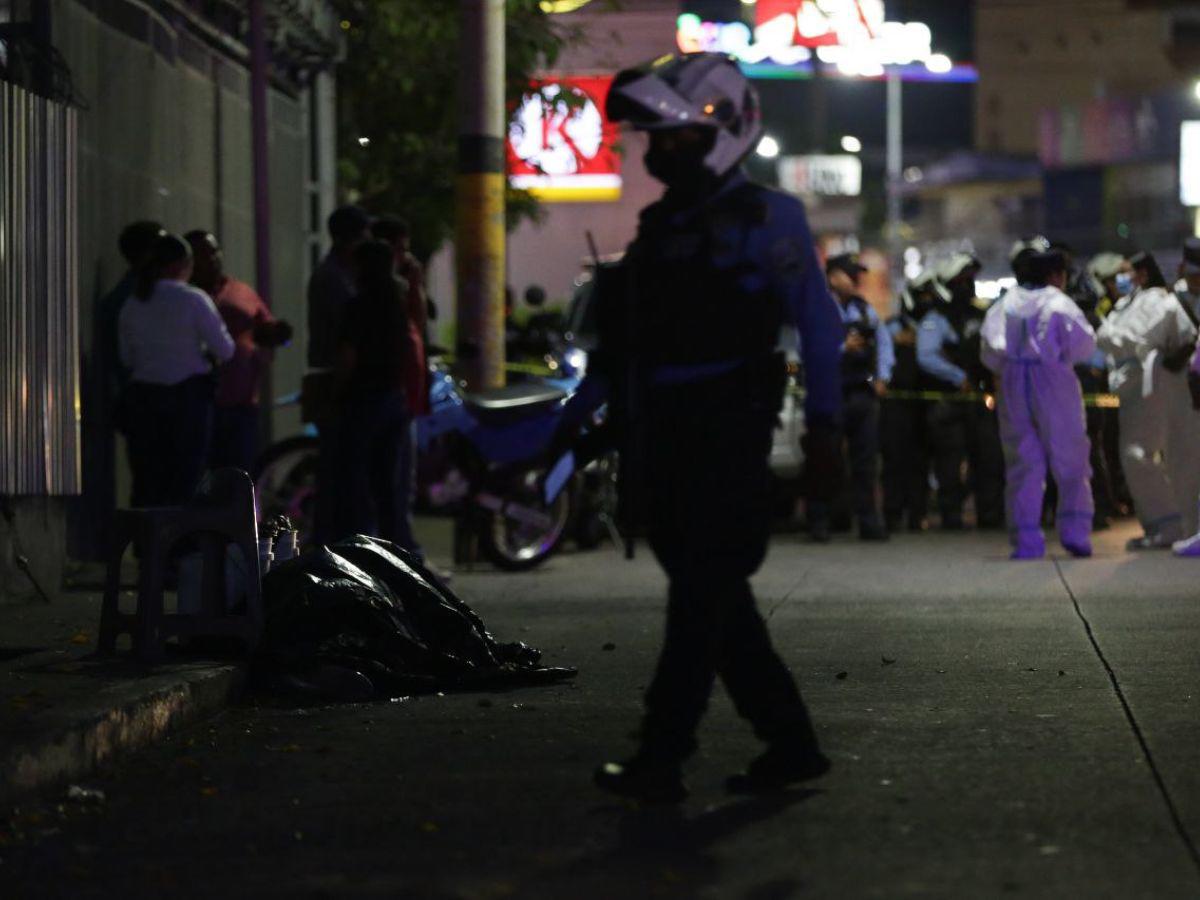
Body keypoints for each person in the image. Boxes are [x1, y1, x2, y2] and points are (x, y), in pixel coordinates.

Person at [551, 52, 844, 803]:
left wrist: (826, 430)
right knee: (712, 595)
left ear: (717, 131)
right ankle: (791, 742)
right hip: (663, 433)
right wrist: (574, 428)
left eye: (670, 137)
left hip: (729, 431)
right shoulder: (659, 229)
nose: (654, 151)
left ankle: (662, 753)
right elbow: (626, 350)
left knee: (700, 597)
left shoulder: (767, 217)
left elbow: (817, 324)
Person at [981, 242, 1096, 559]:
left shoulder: (1005, 305)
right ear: (1055, 275)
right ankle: (1075, 532)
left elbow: (990, 351)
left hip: (1014, 382)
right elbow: (1084, 345)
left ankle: (1026, 540)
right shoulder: (1059, 303)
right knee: (1071, 457)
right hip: (1054, 380)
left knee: (1023, 462)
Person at [117, 233, 235, 507]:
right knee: (185, 478)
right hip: (188, 399)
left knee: (147, 479)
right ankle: (181, 546)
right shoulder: (193, 299)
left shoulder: (133, 303)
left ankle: (147, 545)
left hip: (143, 399)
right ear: (182, 265)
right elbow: (225, 349)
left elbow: (126, 358)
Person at [1096, 251, 1199, 550]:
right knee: (1139, 456)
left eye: (1125, 272)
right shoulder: (1128, 303)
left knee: (1139, 454)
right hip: (1133, 391)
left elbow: (1138, 340)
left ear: (1141, 274)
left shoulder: (1155, 300)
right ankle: (1162, 524)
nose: (1120, 279)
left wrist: (1106, 332)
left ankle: (1170, 524)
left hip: (1152, 388)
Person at [330, 239, 422, 558]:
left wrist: (335, 391)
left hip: (363, 399)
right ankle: (394, 552)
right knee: (388, 483)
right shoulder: (396, 304)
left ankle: (358, 551)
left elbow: (347, 356)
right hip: (393, 399)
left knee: (356, 479)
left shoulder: (358, 305)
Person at [185, 230, 293, 473]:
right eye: (202, 254)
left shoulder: (241, 291)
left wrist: (276, 334)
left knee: (240, 477)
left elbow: (265, 325)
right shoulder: (184, 297)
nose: (210, 258)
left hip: (242, 406)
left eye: (214, 251)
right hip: (200, 406)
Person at [808, 253, 892, 542]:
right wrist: (842, 347)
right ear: (832, 277)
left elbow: (883, 344)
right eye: (849, 273)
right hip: (828, 394)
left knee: (866, 463)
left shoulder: (864, 310)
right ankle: (821, 522)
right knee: (825, 460)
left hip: (861, 395)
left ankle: (869, 522)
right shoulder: (818, 310)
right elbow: (808, 348)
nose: (855, 278)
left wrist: (882, 377)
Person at [918, 253, 1005, 529]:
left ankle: (990, 515)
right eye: (961, 280)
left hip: (980, 401)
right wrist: (958, 377)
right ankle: (951, 516)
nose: (968, 286)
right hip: (950, 402)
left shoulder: (981, 314)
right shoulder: (936, 319)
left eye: (970, 279)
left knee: (989, 459)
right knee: (950, 463)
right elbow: (926, 356)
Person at [308, 205, 372, 544]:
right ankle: (333, 546)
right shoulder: (334, 278)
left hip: (340, 382)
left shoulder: (337, 273)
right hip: (337, 383)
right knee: (339, 474)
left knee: (341, 472)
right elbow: (345, 340)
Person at [880, 272, 939, 533]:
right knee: (894, 461)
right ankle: (893, 514)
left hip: (923, 404)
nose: (927, 300)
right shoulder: (892, 327)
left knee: (920, 460)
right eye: (923, 295)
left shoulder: (932, 327)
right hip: (895, 404)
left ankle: (918, 513)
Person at [372, 214, 430, 416]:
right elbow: (417, 321)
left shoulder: (400, 284)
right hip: (387, 387)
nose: (406, 258)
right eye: (402, 250)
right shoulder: (386, 291)